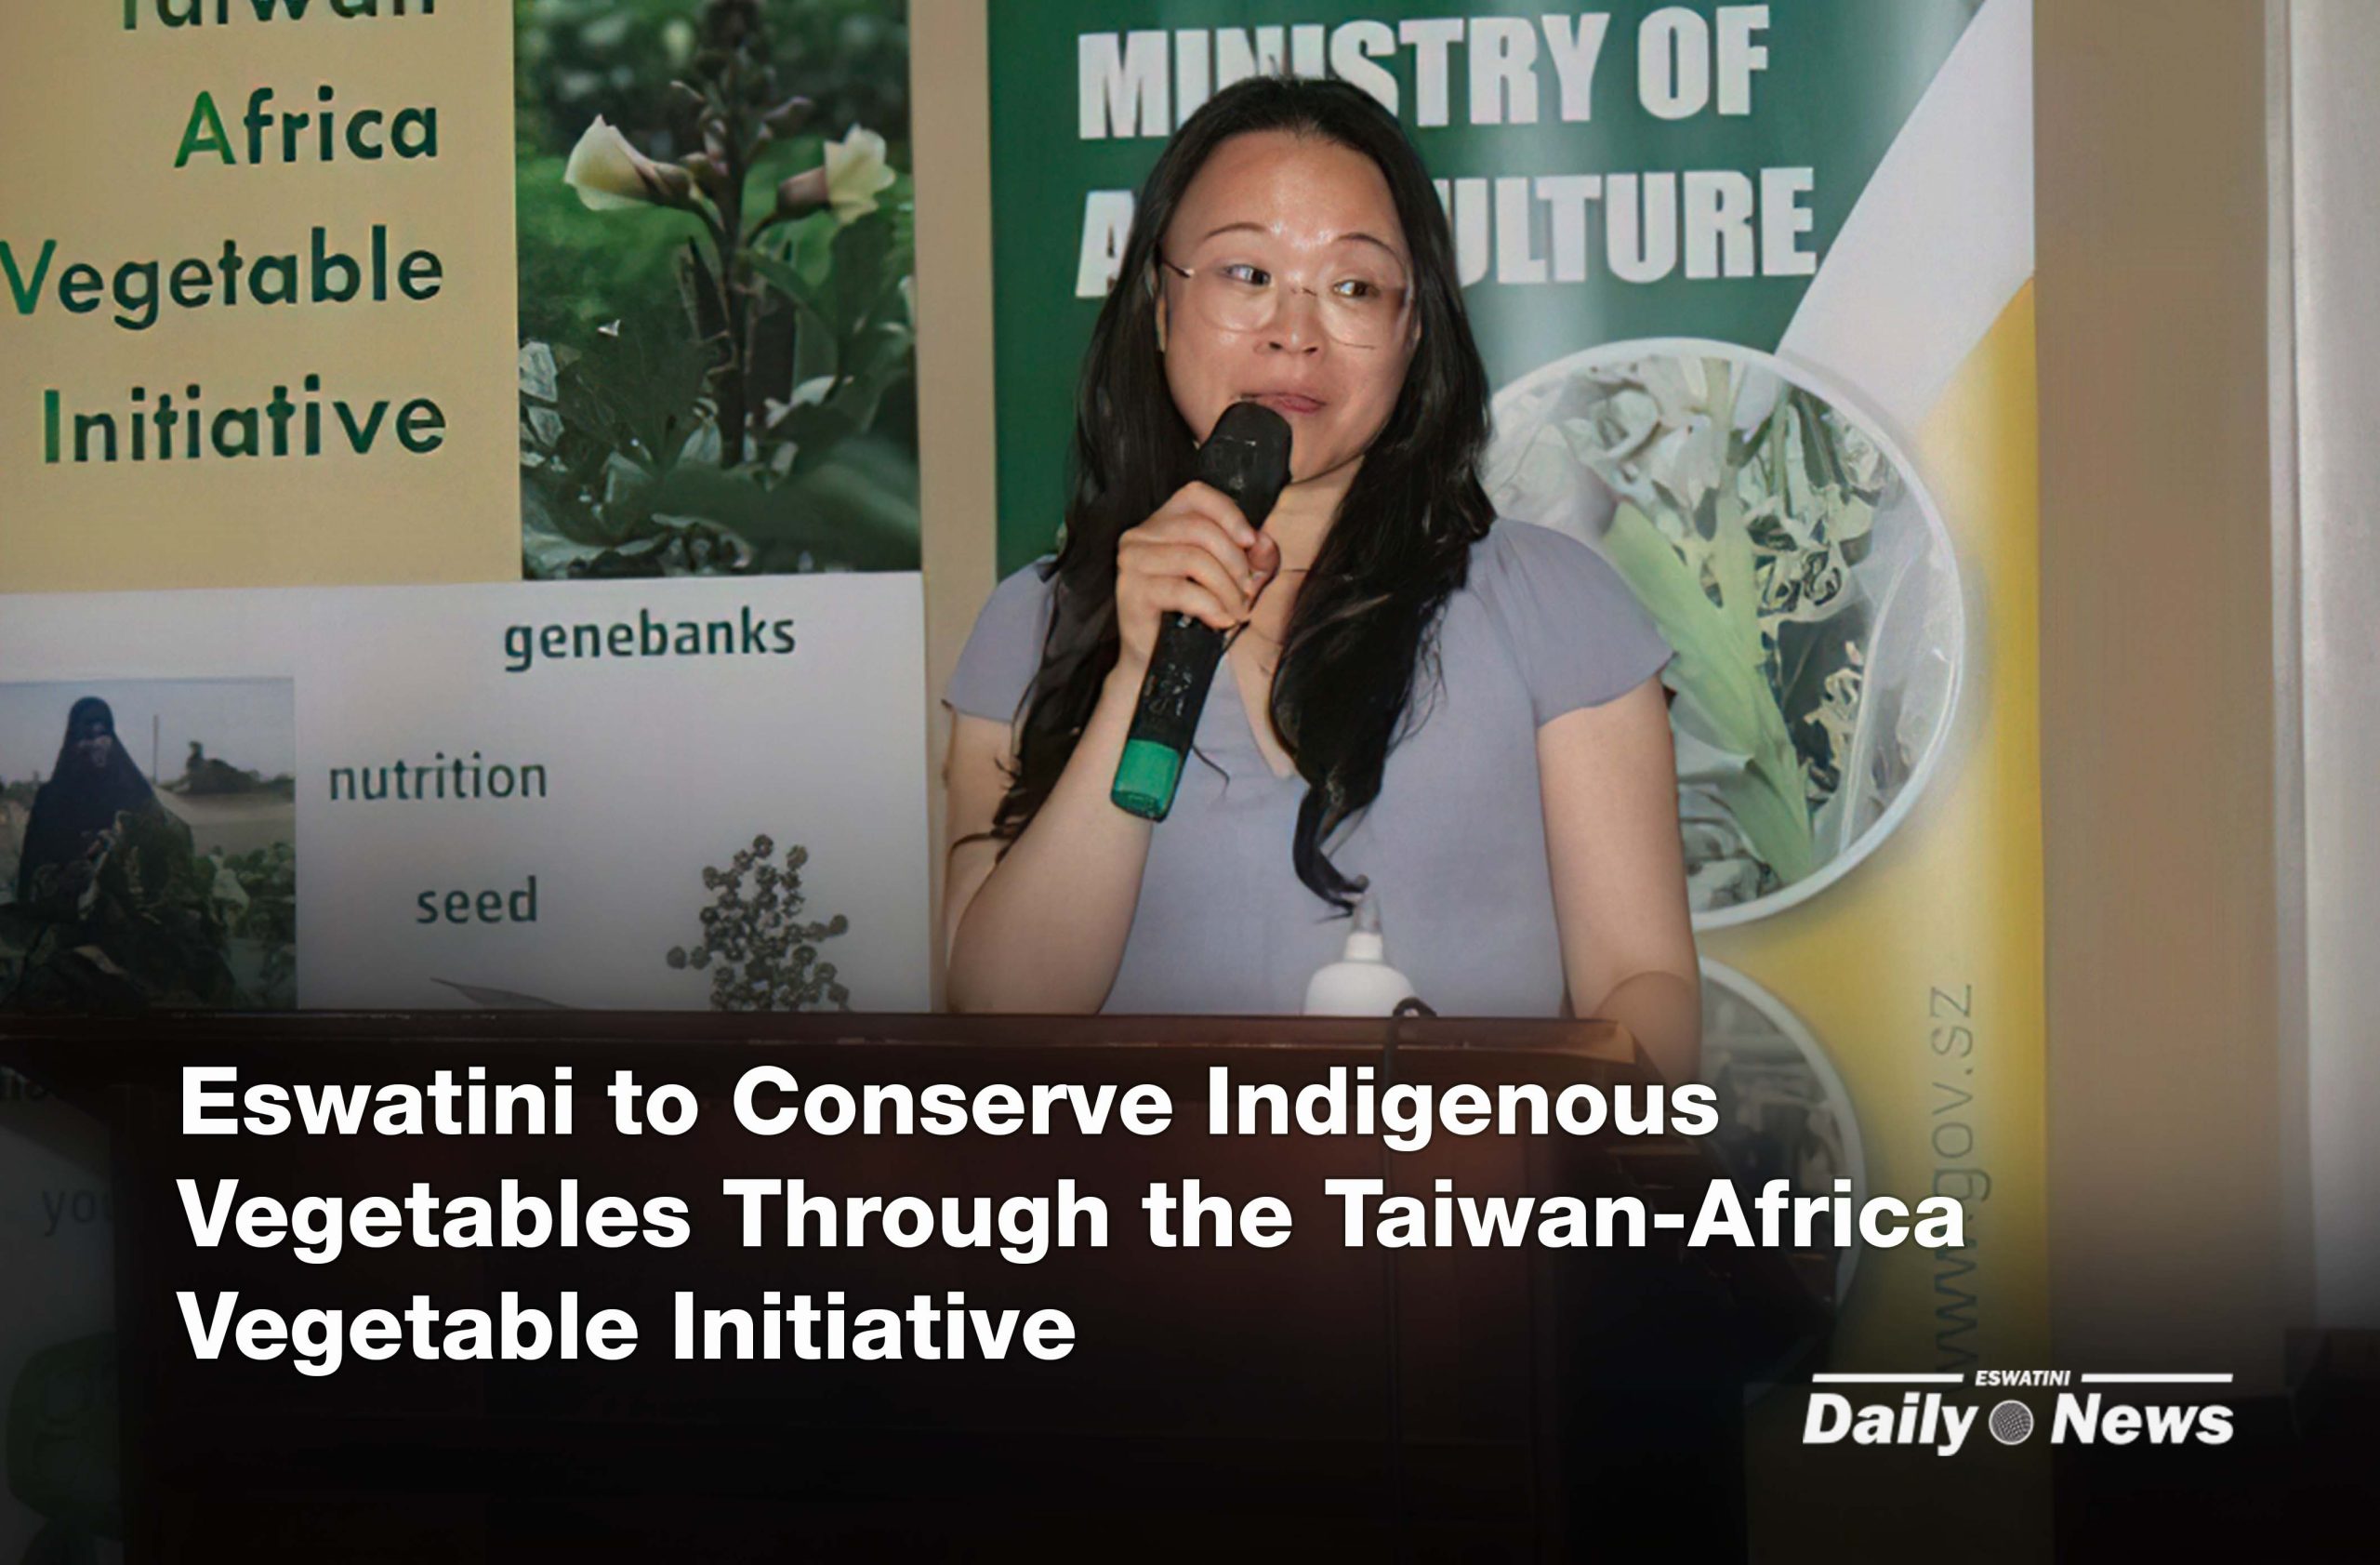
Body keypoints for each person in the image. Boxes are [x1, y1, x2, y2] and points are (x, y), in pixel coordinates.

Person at [942, 75, 1700, 1081]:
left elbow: (1643, 987)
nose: (1294, 332)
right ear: (1159, 307)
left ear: (1413, 330)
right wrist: (1135, 673)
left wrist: (1520, 1129)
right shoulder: (1031, 624)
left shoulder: (1552, 604)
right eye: (1246, 272)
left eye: (1353, 287)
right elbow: (1001, 1018)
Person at [14, 696, 161, 907]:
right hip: (66, 915)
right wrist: (65, 877)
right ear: (73, 740)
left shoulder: (136, 793)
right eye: (87, 736)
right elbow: (32, 871)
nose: (96, 745)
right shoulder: (51, 799)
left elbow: (159, 857)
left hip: (131, 912)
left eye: (102, 735)